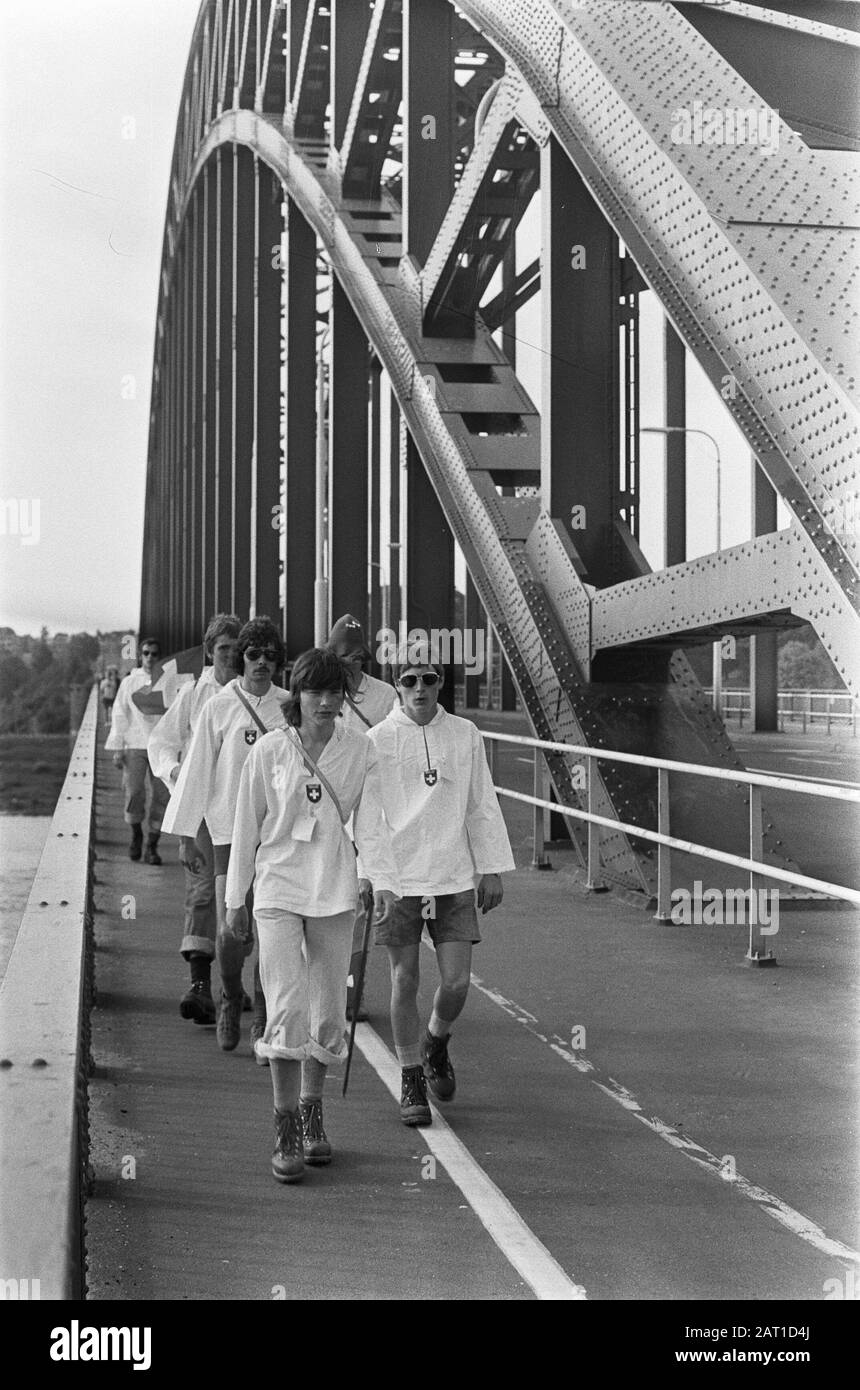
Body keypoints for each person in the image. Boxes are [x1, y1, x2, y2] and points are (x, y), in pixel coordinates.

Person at [224, 648, 399, 1184]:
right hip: (278, 885)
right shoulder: (271, 751)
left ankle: (311, 1110)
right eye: (314, 693)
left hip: (335, 888)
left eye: (334, 693)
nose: (325, 702)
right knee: (286, 1004)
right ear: (296, 696)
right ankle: (284, 1127)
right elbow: (246, 826)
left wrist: (381, 877)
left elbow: (372, 819)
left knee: (326, 1008)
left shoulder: (360, 750)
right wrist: (236, 899)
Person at [362, 639, 514, 1127]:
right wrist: (370, 876)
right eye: (409, 680)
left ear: (441, 682)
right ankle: (410, 1076)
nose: (420, 688)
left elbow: (481, 801)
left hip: (452, 875)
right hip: (400, 879)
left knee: (456, 981)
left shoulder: (465, 733)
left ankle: (436, 1039)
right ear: (397, 685)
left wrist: (490, 866)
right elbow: (366, 818)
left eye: (429, 679)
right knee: (404, 978)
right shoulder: (378, 740)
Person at [162, 616, 289, 1054]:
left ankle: (264, 1020)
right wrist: (183, 835)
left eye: (271, 656)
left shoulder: (290, 706)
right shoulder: (218, 706)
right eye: (253, 655)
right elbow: (196, 775)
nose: (261, 663)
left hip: (278, 833)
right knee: (230, 931)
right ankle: (231, 994)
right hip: (226, 831)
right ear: (241, 658)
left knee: (270, 929)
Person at [147, 614, 241, 1025]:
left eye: (239, 648)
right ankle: (200, 985)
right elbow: (161, 742)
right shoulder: (193, 695)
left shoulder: (255, 695)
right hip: (203, 810)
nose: (233, 656)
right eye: (224, 649)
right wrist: (175, 776)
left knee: (242, 898)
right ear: (209, 651)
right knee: (203, 892)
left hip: (245, 810)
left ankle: (234, 988)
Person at [325, 613, 397, 1022]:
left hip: (367, 806)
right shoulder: (322, 692)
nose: (351, 664)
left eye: (356, 657)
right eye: (342, 656)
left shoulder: (385, 696)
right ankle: (320, 983)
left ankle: (350, 992)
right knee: (327, 903)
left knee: (360, 905)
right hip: (328, 807)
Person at [105, 639, 171, 864]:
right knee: (134, 792)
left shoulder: (168, 681)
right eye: (146, 653)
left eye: (154, 653)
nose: (150, 657)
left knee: (162, 795)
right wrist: (117, 747)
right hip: (134, 743)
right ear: (140, 656)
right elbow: (120, 712)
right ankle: (136, 834)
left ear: (159, 656)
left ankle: (152, 845)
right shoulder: (130, 682)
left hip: (161, 746)